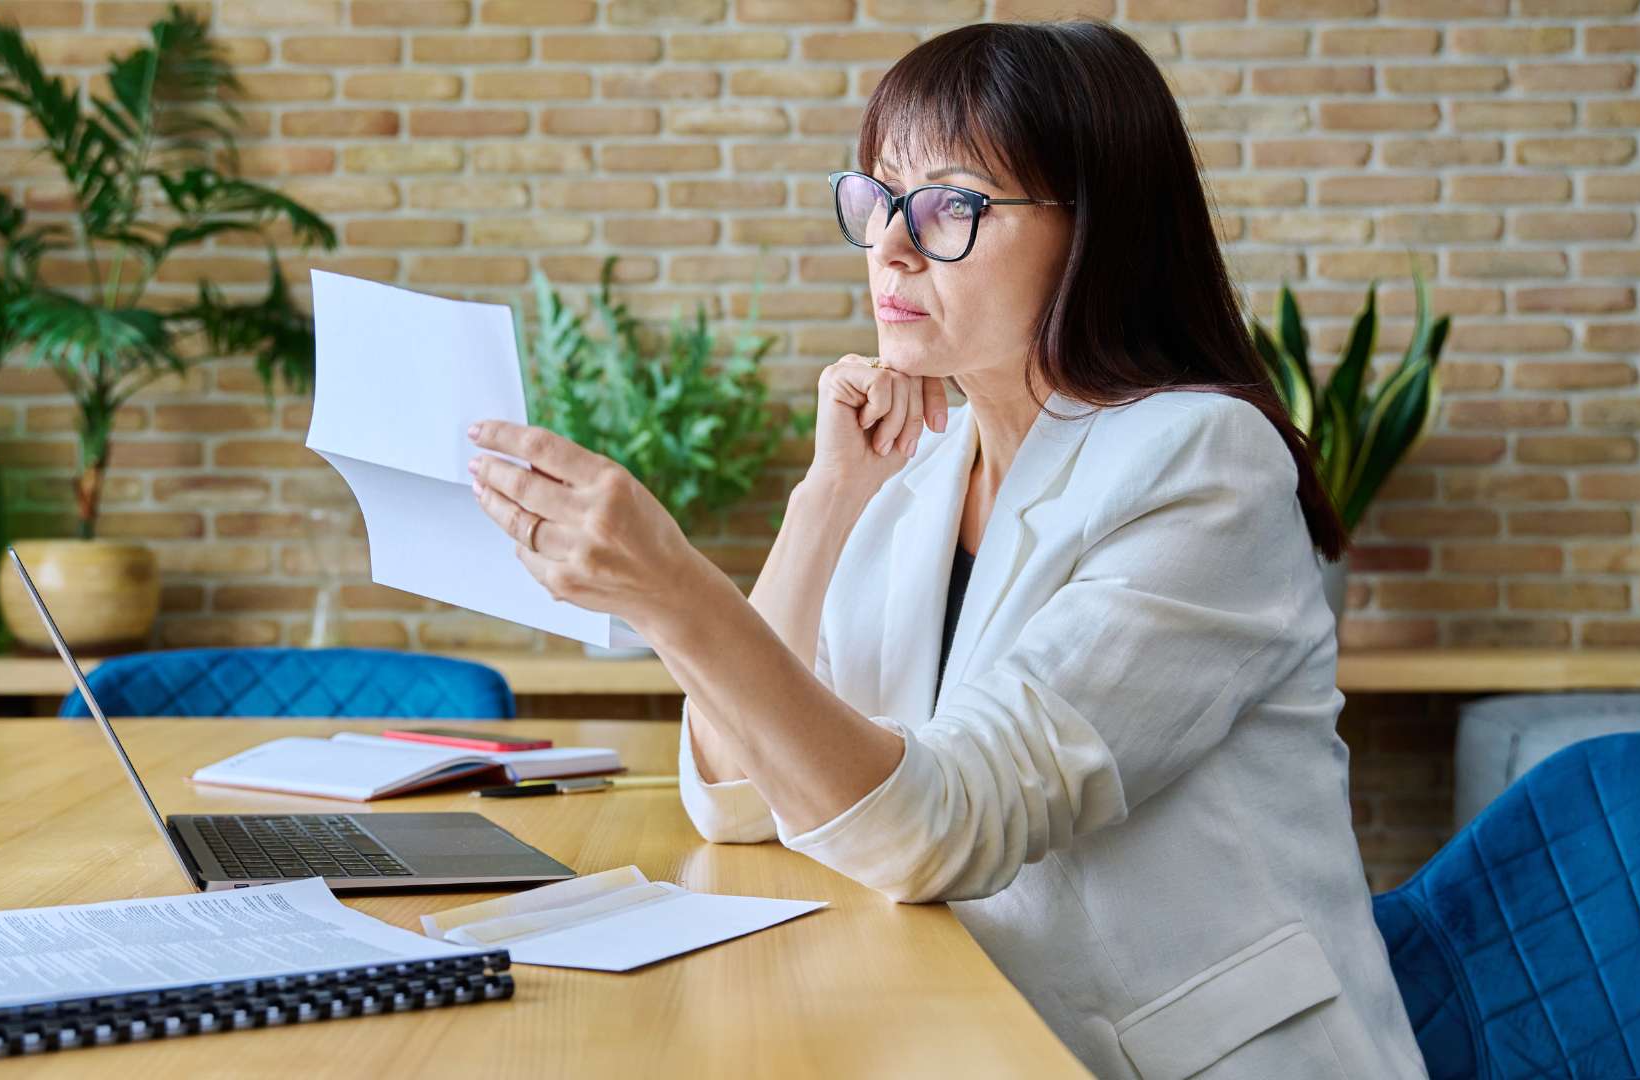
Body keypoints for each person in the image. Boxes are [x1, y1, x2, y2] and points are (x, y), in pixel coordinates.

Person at [464, 20, 1425, 1080]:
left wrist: (676, 592)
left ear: (1096, 233)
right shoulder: (917, 470)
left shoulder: (1203, 462)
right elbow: (738, 799)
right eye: (879, 198)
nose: (890, 244)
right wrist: (825, 500)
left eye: (953, 205)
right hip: (962, 1033)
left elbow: (940, 826)